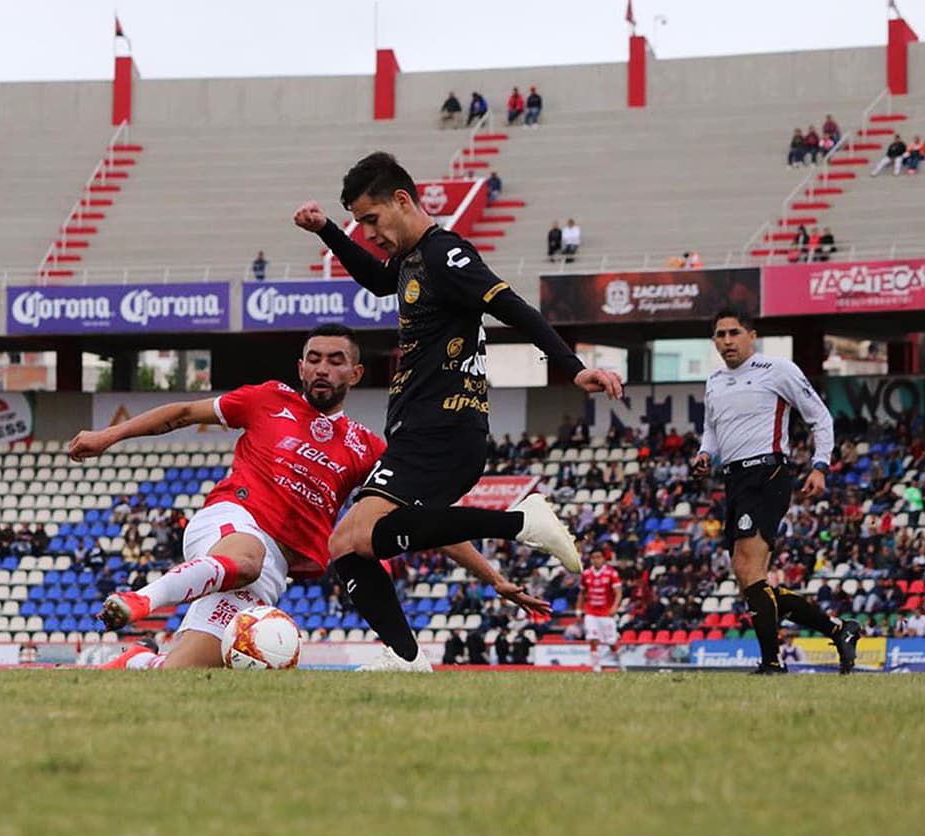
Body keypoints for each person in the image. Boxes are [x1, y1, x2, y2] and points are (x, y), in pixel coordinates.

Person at [294, 152, 623, 670]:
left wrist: (572, 366)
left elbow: (513, 305)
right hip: (418, 428)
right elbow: (379, 281)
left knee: (359, 538)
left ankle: (519, 523)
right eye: (361, 225)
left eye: (372, 220)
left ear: (402, 200)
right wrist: (330, 232)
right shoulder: (409, 261)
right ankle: (405, 656)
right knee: (347, 544)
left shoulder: (447, 254)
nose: (369, 234)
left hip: (444, 424)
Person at [70, 325, 550, 670]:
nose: (323, 368)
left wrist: (494, 577)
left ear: (356, 373)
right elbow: (180, 413)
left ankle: (138, 662)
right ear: (300, 366)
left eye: (336, 360)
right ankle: (141, 600)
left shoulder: (366, 446)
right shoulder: (266, 399)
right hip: (230, 521)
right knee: (247, 555)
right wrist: (106, 437)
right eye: (314, 358)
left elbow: (419, 520)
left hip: (272, 570)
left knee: (177, 677)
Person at [692, 308, 860, 674]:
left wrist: (820, 465)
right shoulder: (715, 381)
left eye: (734, 333)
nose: (726, 341)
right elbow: (711, 428)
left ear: (752, 335)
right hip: (734, 479)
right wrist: (706, 452)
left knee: (748, 568)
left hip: (767, 474)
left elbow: (819, 416)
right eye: (720, 335)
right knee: (748, 578)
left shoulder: (777, 370)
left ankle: (772, 662)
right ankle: (839, 629)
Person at [577, 547, 623, 672]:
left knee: (611, 642)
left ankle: (620, 664)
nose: (596, 560)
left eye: (598, 557)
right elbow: (582, 593)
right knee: (592, 639)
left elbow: (618, 592)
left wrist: (614, 607)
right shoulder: (586, 574)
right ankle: (596, 668)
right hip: (591, 612)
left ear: (603, 559)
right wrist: (578, 609)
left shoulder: (611, 573)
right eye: (593, 558)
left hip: (606, 613)